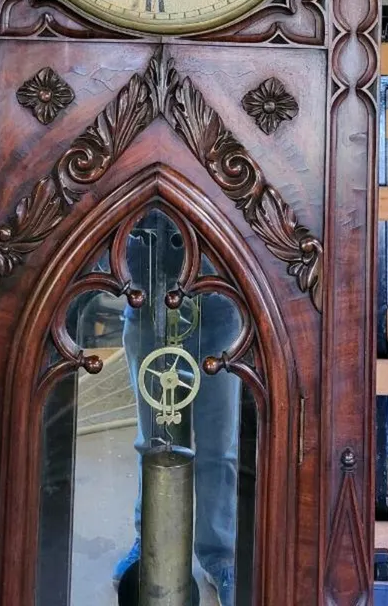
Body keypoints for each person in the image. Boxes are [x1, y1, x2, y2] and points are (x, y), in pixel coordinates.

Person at [113, 217, 240, 606]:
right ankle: (148, 536)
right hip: (147, 287)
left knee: (219, 446)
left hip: (218, 298)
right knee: (152, 439)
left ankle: (219, 555)